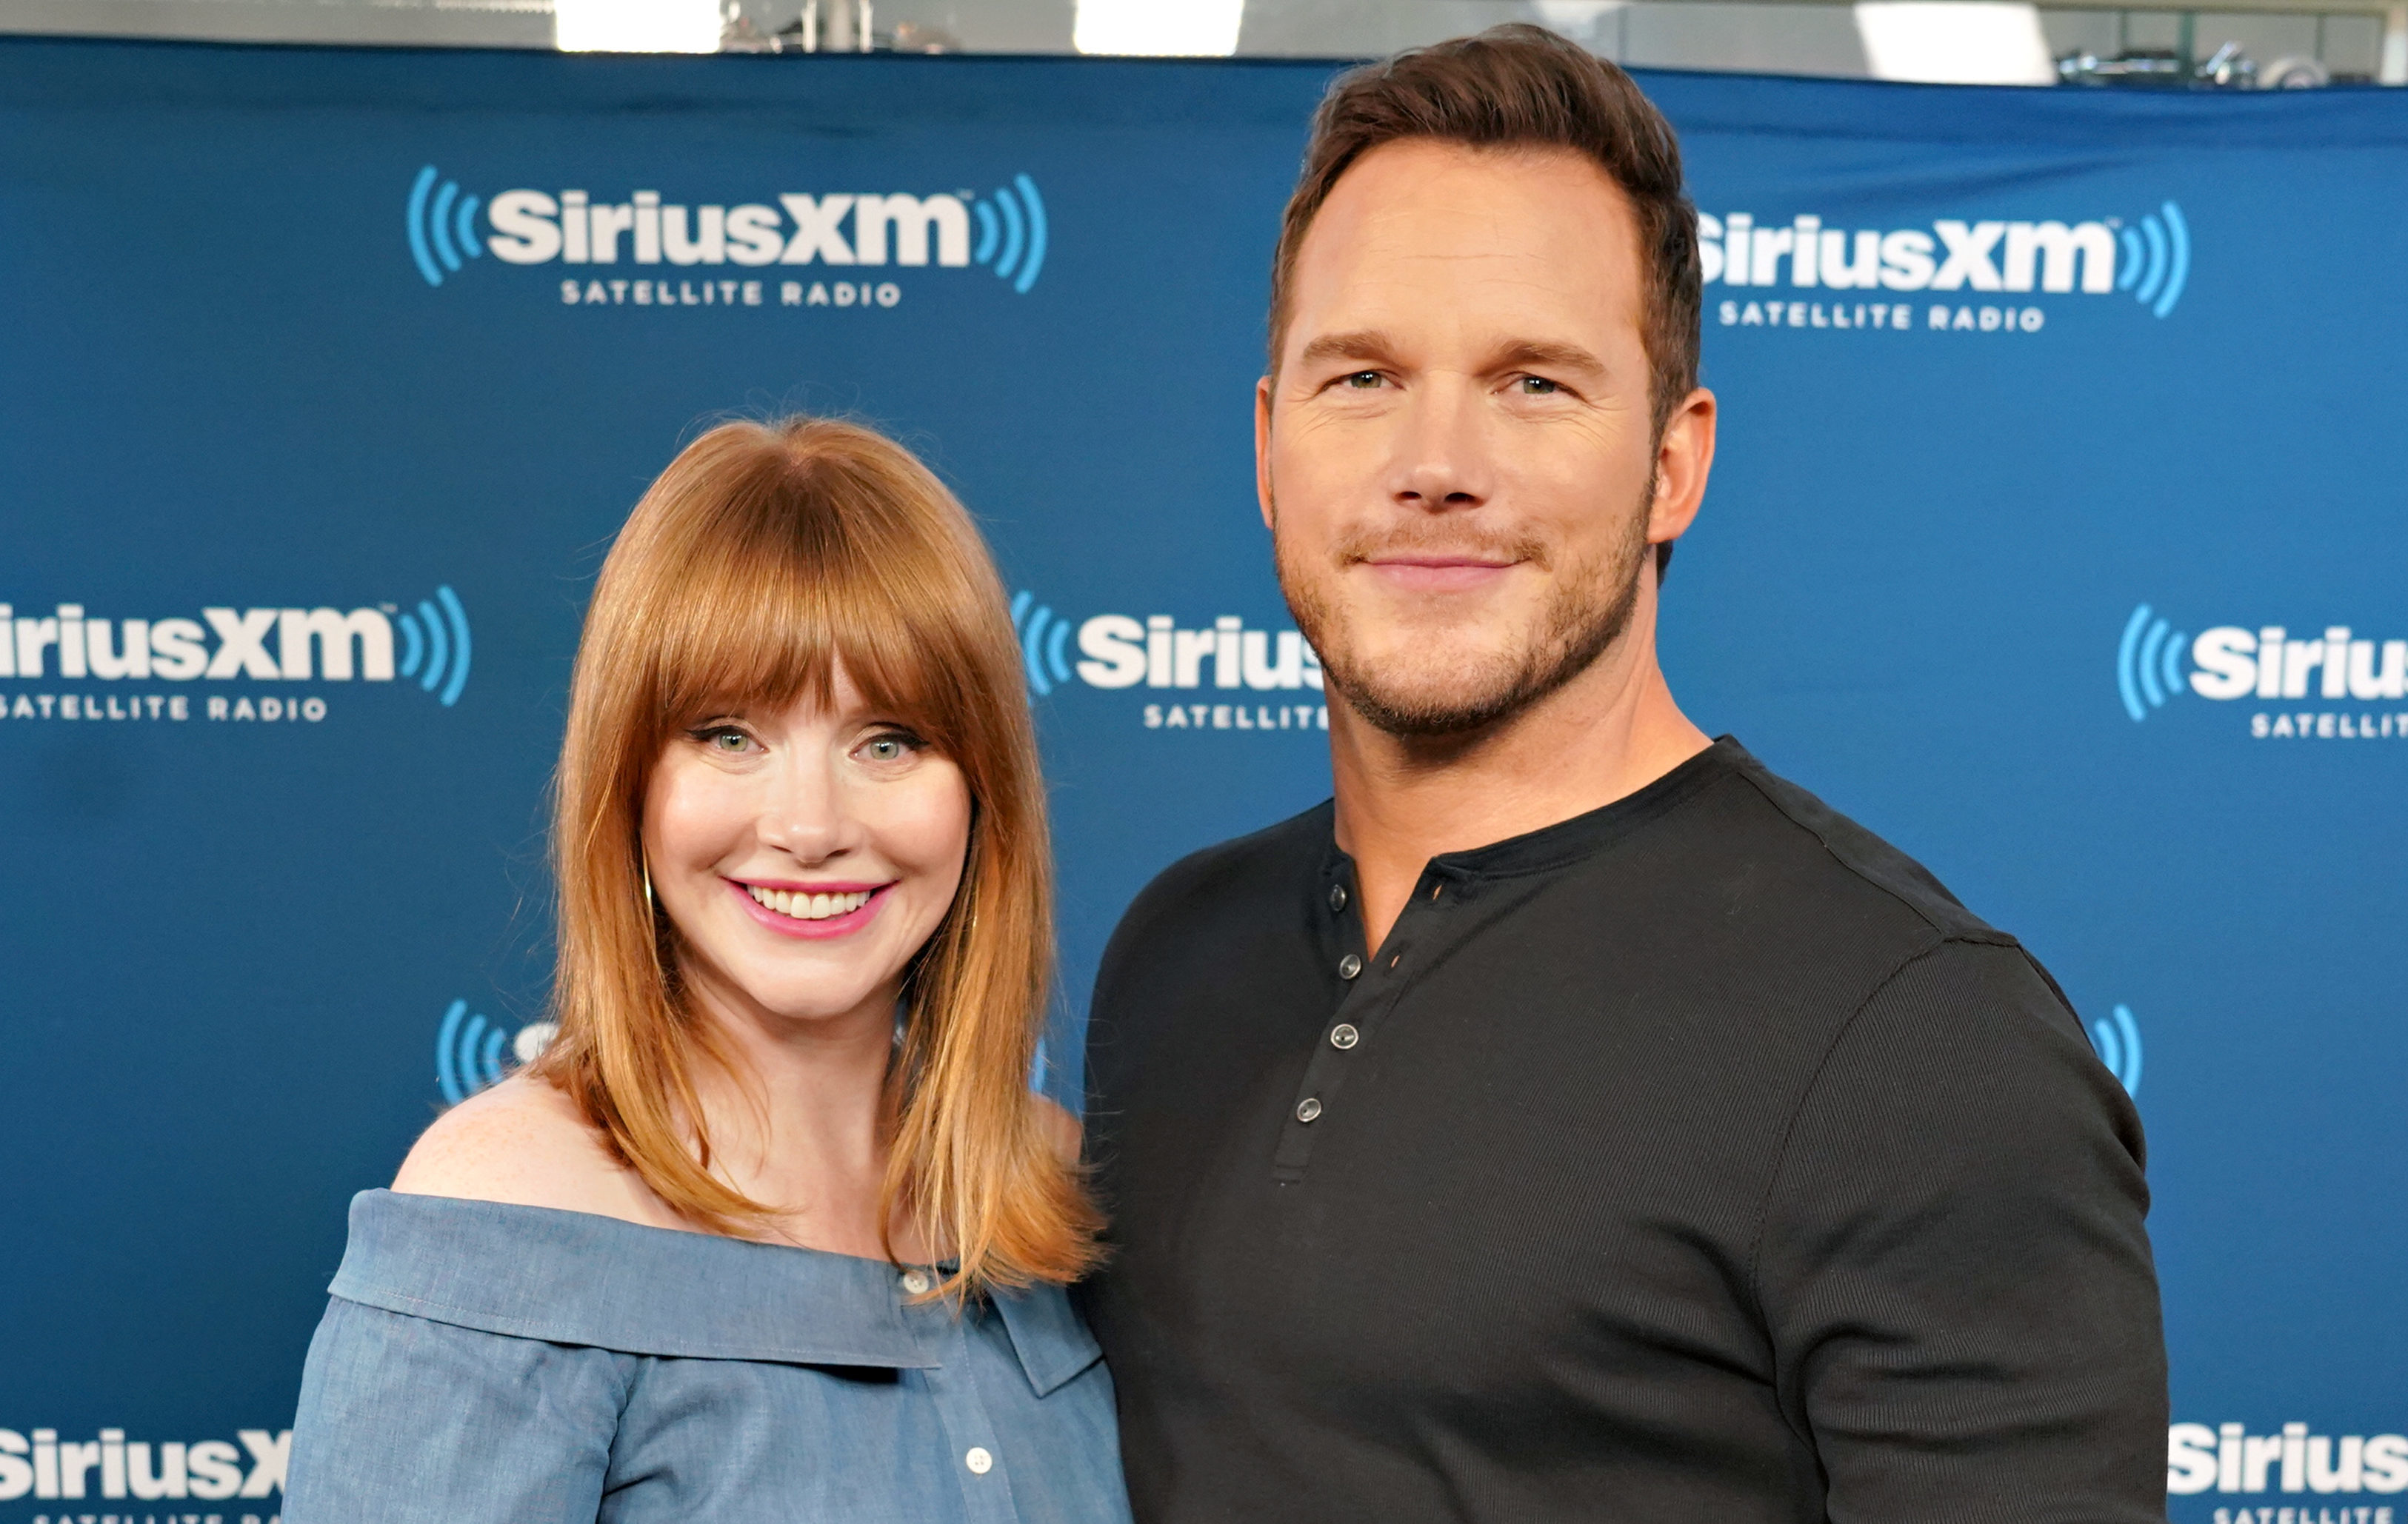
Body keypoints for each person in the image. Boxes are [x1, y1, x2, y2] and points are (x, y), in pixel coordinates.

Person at [1078, 26, 2167, 1523]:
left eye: (1534, 382)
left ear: (1674, 463)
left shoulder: (1920, 1046)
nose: (1434, 459)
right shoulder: (1173, 955)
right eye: (1363, 377)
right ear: (1271, 450)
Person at [285, 418, 1130, 1524]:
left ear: (982, 795)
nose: (812, 825)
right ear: (631, 782)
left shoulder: (1048, 1186)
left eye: (890, 741)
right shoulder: (509, 1198)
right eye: (730, 735)